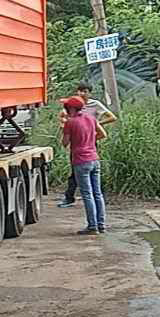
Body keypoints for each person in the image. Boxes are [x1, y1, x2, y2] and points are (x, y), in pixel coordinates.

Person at [57, 82, 116, 208]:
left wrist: (95, 126)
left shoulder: (94, 105)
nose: (81, 93)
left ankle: (94, 210)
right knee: (80, 171)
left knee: (86, 174)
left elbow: (112, 118)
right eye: (79, 91)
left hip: (88, 143)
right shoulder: (73, 105)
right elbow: (62, 116)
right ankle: (71, 197)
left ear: (89, 93)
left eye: (84, 91)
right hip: (81, 143)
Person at [61, 96, 107, 235]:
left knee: (87, 194)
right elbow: (103, 134)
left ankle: (92, 226)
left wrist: (64, 127)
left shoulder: (70, 122)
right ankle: (101, 224)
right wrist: (90, 141)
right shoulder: (91, 119)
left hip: (81, 161)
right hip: (94, 159)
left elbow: (64, 143)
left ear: (71, 109)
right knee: (97, 193)